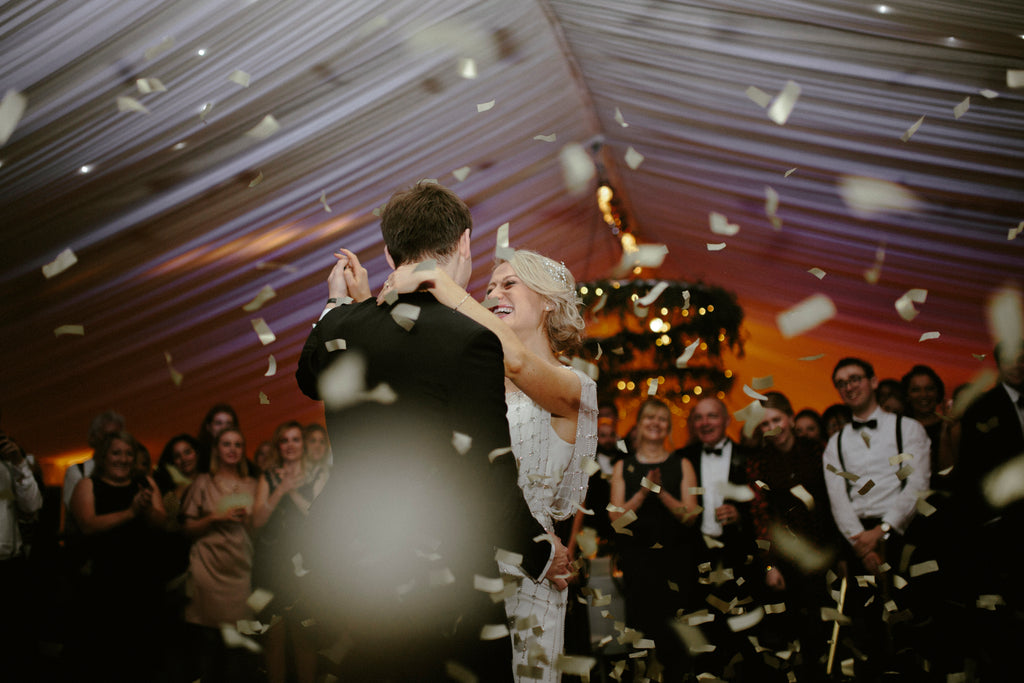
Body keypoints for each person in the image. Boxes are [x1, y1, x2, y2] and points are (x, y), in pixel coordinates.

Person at [295, 181, 570, 683]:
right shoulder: (469, 339)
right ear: (464, 243)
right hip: (439, 580)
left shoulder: (340, 328)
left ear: (387, 251)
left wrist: (338, 306)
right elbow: (488, 470)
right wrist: (540, 551)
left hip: (350, 575)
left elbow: (308, 375)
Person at [381, 247, 598, 682]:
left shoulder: (576, 386)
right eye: (490, 286)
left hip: (530, 574)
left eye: (509, 283)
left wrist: (440, 283)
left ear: (549, 302)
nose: (493, 292)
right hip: (463, 569)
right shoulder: (473, 384)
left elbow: (517, 361)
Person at [821, 358, 931, 680]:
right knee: (867, 631)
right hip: (858, 541)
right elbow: (838, 498)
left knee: (909, 625)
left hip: (903, 532)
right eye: (841, 383)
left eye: (854, 378)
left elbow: (918, 484)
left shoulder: (907, 428)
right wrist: (863, 543)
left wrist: (882, 532)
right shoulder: (836, 443)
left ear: (872, 381)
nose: (849, 386)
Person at [748, 392, 841, 682]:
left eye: (777, 419)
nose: (772, 428)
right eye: (764, 424)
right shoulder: (759, 463)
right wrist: (769, 565)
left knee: (828, 633)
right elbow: (760, 515)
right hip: (785, 559)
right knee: (792, 634)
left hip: (826, 551)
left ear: (790, 418)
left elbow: (837, 501)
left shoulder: (818, 450)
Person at [609, 398, 699, 682]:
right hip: (637, 564)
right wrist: (643, 493)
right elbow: (616, 519)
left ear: (668, 427)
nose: (655, 423)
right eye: (650, 417)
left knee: (674, 642)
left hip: (675, 562)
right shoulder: (622, 467)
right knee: (638, 640)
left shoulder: (682, 464)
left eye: (662, 419)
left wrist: (662, 493)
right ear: (638, 425)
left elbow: (691, 515)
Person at [949, 340, 1024, 681]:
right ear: (998, 363)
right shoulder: (983, 407)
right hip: (1000, 533)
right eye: (1011, 358)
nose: (1018, 365)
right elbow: (968, 474)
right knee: (1001, 624)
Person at [67, 431, 166, 683]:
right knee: (102, 660)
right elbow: (88, 524)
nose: (123, 459)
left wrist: (146, 511)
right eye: (116, 452)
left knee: (140, 661)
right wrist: (131, 512)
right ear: (103, 456)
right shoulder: (87, 485)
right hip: (102, 588)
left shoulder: (146, 483)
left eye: (128, 453)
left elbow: (161, 522)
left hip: (142, 586)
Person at [676, 396, 762, 681]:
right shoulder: (682, 459)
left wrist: (741, 516)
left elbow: (765, 512)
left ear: (726, 420)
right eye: (699, 417)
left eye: (712, 416)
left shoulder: (749, 458)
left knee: (742, 640)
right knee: (704, 641)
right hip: (696, 561)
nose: (705, 423)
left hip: (739, 560)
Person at [251, 420, 328, 683]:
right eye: (285, 440)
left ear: (302, 444)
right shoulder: (268, 476)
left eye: (296, 439)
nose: (290, 445)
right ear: (279, 445)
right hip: (273, 565)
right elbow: (257, 521)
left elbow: (316, 516)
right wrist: (278, 490)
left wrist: (291, 490)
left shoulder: (318, 474)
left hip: (305, 565)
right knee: (274, 637)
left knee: (305, 635)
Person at [181, 427, 259, 683]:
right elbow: (187, 528)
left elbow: (259, 532)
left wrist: (250, 520)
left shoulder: (254, 484)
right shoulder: (203, 482)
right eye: (227, 444)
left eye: (238, 444)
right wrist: (215, 517)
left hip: (240, 570)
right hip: (207, 568)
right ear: (216, 450)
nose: (232, 450)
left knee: (237, 652)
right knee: (208, 649)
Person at [0, 425, 44, 680]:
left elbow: (32, 505)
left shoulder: (9, 467)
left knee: (15, 644)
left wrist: (18, 463)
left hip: (9, 568)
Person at [61, 410, 125, 525]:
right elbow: (78, 515)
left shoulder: (126, 471)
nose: (113, 442)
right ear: (94, 437)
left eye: (117, 436)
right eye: (108, 436)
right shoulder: (77, 471)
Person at [900, 365, 952, 487]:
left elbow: (949, 472)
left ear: (938, 392)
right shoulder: (899, 428)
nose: (923, 395)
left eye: (929, 388)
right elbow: (893, 473)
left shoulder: (950, 426)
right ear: (907, 395)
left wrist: (945, 430)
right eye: (916, 390)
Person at [195, 403, 239, 473]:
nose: (224, 428)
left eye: (228, 424)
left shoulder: (239, 455)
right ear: (208, 427)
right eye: (218, 423)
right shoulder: (197, 455)